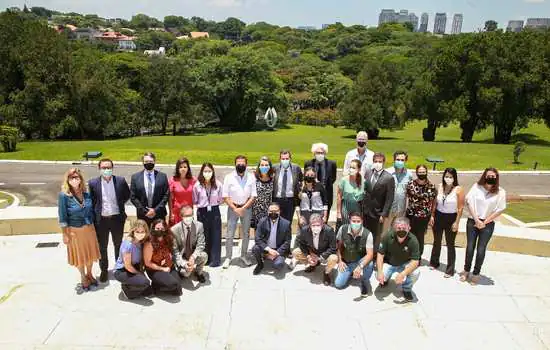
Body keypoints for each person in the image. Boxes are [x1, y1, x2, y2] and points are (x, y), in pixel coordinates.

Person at [460, 167, 506, 285]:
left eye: (493, 177)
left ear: (496, 178)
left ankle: (476, 273)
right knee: (470, 247)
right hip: (473, 221)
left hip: (488, 223)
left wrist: (484, 222)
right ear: (484, 176)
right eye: (488, 176)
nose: (490, 178)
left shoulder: (500, 192)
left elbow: (500, 209)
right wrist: (476, 219)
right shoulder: (476, 187)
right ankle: (466, 271)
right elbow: (469, 201)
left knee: (481, 249)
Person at [58, 168, 101, 293]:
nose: (75, 180)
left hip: (89, 229)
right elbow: (62, 216)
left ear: (81, 179)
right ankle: (83, 276)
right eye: (72, 178)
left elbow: (91, 211)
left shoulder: (86, 194)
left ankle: (89, 274)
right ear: (68, 180)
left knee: (90, 254)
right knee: (80, 256)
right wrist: (65, 234)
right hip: (75, 231)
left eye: (77, 177)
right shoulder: (64, 196)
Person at [88, 158, 131, 283]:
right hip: (101, 220)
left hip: (117, 218)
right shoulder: (93, 183)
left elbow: (127, 195)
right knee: (102, 246)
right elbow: (92, 200)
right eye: (104, 168)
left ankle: (118, 268)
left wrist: (119, 204)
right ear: (99, 169)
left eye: (108, 167)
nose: (106, 170)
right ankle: (104, 270)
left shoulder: (120, 181)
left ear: (112, 168)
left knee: (118, 245)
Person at [222, 155, 257, 269]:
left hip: (246, 208)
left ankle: (243, 255)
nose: (240, 165)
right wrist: (235, 208)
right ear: (235, 164)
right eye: (238, 163)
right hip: (233, 208)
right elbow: (225, 196)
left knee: (246, 233)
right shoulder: (229, 177)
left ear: (246, 164)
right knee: (230, 234)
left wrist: (243, 208)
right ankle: (228, 257)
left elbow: (253, 196)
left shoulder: (251, 177)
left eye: (242, 163)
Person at [429, 168, 465, 277]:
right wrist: (432, 215)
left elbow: (460, 207)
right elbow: (435, 203)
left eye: (450, 177)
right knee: (437, 241)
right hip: (439, 216)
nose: (448, 178)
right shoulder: (439, 187)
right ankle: (434, 262)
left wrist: (456, 222)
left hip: (451, 218)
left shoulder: (459, 190)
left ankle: (450, 269)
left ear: (454, 178)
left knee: (450, 244)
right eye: (446, 176)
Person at [376, 217, 421, 302]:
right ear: (395, 228)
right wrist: (379, 271)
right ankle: (385, 279)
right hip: (390, 263)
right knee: (378, 274)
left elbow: (415, 261)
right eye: (399, 228)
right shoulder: (387, 236)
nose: (401, 230)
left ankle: (406, 289)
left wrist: (403, 274)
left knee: (416, 272)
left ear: (409, 228)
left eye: (404, 228)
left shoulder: (413, 240)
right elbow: (380, 254)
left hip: (404, 265)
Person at [290, 214, 338, 286]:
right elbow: (302, 244)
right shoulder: (304, 230)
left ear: (322, 224)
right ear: (309, 225)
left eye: (318, 225)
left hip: (325, 253)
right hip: (312, 251)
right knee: (295, 252)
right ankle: (312, 265)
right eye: (313, 225)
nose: (316, 227)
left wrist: (319, 258)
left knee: (334, 258)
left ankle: (326, 273)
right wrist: (309, 255)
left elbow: (333, 248)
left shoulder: (329, 230)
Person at [334, 212, 374, 297]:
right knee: (338, 284)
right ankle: (350, 273)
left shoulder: (368, 234)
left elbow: (370, 254)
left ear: (362, 221)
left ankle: (364, 282)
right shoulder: (343, 229)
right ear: (349, 220)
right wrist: (340, 261)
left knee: (370, 264)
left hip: (359, 261)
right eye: (353, 221)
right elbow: (338, 247)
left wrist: (360, 267)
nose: (356, 223)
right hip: (346, 262)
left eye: (358, 221)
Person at [362, 153, 394, 255]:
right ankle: (365, 253)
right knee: (365, 233)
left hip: (378, 212)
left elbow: (389, 198)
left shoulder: (389, 178)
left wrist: (384, 214)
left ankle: (374, 255)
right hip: (366, 211)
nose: (377, 163)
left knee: (376, 235)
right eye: (375, 161)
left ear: (384, 163)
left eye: (380, 162)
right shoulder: (368, 173)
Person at [193, 163, 224, 267]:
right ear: (202, 172)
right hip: (202, 211)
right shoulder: (197, 185)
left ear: (213, 172)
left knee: (215, 235)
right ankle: (205, 259)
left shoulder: (218, 184)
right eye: (205, 171)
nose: (207, 173)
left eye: (209, 171)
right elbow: (195, 200)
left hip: (215, 211)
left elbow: (220, 199)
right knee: (203, 236)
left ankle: (215, 260)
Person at [113, 220, 152, 299]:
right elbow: (127, 266)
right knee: (145, 283)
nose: (140, 234)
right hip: (122, 270)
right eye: (137, 231)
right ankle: (127, 290)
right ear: (133, 231)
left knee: (149, 292)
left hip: (134, 267)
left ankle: (131, 284)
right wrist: (139, 273)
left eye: (142, 231)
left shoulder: (141, 241)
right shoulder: (128, 244)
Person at [143, 219, 182, 296]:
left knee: (178, 291)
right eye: (157, 228)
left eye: (162, 229)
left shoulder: (168, 238)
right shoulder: (149, 243)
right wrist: (162, 269)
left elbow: (172, 251)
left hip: (168, 266)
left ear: (165, 229)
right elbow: (147, 263)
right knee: (173, 285)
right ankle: (155, 287)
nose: (159, 231)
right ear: (153, 228)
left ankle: (161, 282)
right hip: (155, 269)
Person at [251, 203, 292, 275]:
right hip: (266, 248)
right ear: (267, 211)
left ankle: (270, 257)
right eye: (271, 211)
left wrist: (276, 253)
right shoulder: (262, 221)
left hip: (278, 249)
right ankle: (260, 264)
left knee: (278, 265)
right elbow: (257, 238)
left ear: (279, 211)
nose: (273, 213)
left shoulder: (286, 223)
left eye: (276, 211)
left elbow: (287, 241)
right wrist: (269, 250)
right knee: (255, 248)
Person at [406, 164, 437, 258]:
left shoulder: (431, 186)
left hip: (423, 217)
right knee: (409, 236)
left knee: (420, 237)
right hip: (411, 215)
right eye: (420, 172)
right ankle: (408, 255)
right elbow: (406, 199)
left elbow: (434, 202)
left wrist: (432, 215)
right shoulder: (410, 184)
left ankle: (417, 257)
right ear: (416, 173)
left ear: (426, 172)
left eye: (423, 172)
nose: (422, 174)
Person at [130, 152, 170, 225]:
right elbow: (133, 197)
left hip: (159, 214)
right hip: (143, 215)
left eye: (151, 161)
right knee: (143, 236)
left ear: (155, 162)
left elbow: (166, 195)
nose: (149, 163)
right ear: (142, 162)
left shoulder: (162, 176)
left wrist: (155, 210)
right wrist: (145, 211)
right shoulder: (135, 177)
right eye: (146, 162)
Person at [171, 206, 208, 283]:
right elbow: (175, 251)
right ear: (181, 216)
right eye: (186, 216)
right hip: (182, 256)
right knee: (186, 274)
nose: (189, 218)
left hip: (192, 254)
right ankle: (181, 270)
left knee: (204, 256)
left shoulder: (199, 225)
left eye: (190, 215)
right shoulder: (174, 229)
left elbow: (201, 244)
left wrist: (193, 257)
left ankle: (198, 272)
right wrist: (184, 264)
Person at [383, 151, 413, 235]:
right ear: (394, 160)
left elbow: (409, 192)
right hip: (388, 209)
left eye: (402, 160)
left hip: (401, 209)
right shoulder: (387, 172)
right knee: (384, 232)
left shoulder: (409, 174)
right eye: (398, 159)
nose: (400, 161)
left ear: (405, 161)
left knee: (396, 232)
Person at [272, 150, 303, 224]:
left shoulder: (296, 168)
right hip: (277, 200)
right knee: (275, 222)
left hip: (290, 201)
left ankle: (287, 236)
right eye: (283, 159)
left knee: (288, 223)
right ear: (280, 159)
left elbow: (301, 180)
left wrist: (300, 190)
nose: (285, 160)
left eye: (287, 159)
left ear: (290, 159)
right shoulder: (274, 168)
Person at [305, 143, 337, 213]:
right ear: (314, 153)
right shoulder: (308, 163)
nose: (320, 154)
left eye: (322, 153)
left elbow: (333, 179)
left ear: (325, 153)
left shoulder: (332, 164)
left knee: (324, 218)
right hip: (312, 195)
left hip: (326, 195)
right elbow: (306, 178)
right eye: (318, 153)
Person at [168, 157, 196, 226]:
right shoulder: (172, 180)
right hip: (177, 213)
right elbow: (170, 199)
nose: (183, 169)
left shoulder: (193, 180)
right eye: (180, 167)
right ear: (177, 168)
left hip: (188, 213)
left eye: (185, 167)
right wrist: (171, 213)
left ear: (188, 168)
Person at [337, 159, 364, 226]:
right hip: (346, 206)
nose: (351, 169)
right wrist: (338, 212)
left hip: (357, 206)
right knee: (346, 225)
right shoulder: (344, 180)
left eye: (354, 168)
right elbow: (339, 196)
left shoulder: (363, 181)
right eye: (350, 167)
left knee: (356, 225)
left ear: (359, 169)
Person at [252, 156, 274, 229]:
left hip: (268, 211)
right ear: (259, 166)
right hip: (256, 211)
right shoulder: (254, 178)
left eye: (266, 165)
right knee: (257, 233)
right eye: (262, 165)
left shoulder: (273, 179)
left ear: (269, 166)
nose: (264, 167)